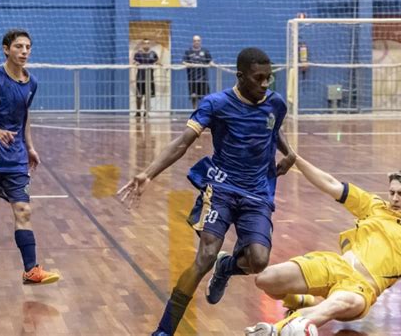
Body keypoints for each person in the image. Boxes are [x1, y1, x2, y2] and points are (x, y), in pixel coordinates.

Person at [119, 47, 296, 336]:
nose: (265, 84)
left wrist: (288, 153)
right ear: (240, 76)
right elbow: (182, 142)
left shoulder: (275, 103)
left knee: (258, 261)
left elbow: (273, 127)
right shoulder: (216, 104)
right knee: (205, 256)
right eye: (258, 78)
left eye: (269, 78)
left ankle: (227, 268)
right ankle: (164, 331)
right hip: (222, 188)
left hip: (258, 193)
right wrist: (148, 173)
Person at [245, 155, 401, 336]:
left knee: (335, 306)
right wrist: (296, 158)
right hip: (335, 266)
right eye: (392, 192)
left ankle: (276, 330)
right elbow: (330, 184)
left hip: (360, 289)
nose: (394, 198)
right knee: (265, 280)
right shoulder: (373, 205)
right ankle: (302, 301)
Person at [0, 29, 60, 285]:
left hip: (15, 159)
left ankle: (31, 270)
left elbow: (23, 118)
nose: (24, 51)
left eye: (28, 47)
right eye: (18, 47)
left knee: (23, 210)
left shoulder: (32, 82)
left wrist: (30, 147)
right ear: (6, 49)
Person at [182, 35, 213, 109]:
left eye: (198, 40)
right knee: (193, 96)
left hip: (203, 79)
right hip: (192, 79)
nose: (196, 42)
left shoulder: (205, 51)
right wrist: (192, 65)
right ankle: (194, 111)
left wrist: (212, 64)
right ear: (193, 42)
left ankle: (203, 111)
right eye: (195, 41)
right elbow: (184, 62)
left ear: (200, 41)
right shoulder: (188, 51)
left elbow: (210, 61)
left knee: (205, 97)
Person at [133, 39, 159, 118]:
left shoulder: (153, 54)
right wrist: (135, 63)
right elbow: (133, 61)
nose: (146, 45)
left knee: (147, 96)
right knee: (139, 96)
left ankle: (146, 112)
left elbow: (158, 61)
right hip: (140, 78)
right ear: (142, 45)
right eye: (145, 43)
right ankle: (138, 112)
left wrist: (156, 63)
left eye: (148, 43)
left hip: (149, 78)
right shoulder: (138, 53)